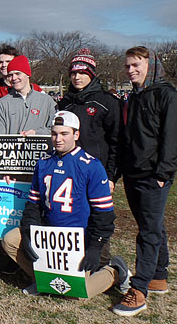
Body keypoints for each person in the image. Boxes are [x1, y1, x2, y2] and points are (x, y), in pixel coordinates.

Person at [1, 111, 130, 298]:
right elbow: (34, 204)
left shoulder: (91, 165)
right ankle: (43, 280)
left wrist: (95, 247)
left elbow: (104, 214)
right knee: (10, 240)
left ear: (76, 135)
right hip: (49, 235)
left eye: (64, 134)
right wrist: (29, 232)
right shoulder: (44, 163)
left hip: (78, 239)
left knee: (77, 292)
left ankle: (116, 271)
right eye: (54, 134)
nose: (58, 139)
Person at [113, 46, 177, 317]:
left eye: (136, 65)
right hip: (133, 173)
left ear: (151, 65)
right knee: (150, 225)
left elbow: (171, 138)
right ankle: (159, 275)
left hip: (154, 176)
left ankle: (139, 289)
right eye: (128, 66)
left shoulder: (167, 95)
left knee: (148, 232)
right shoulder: (134, 97)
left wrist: (163, 174)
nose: (131, 70)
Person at [58, 48, 122, 268]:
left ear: (92, 74)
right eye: (74, 72)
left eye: (83, 72)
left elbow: (116, 141)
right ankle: (72, 261)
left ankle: (103, 263)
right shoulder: (65, 102)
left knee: (98, 217)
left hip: (97, 172)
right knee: (73, 214)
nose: (77, 77)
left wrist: (112, 175)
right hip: (69, 171)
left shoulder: (107, 101)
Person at [0, 55, 56, 135]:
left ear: (27, 74)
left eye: (18, 74)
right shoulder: (2, 104)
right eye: (10, 75)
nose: (14, 78)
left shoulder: (47, 101)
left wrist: (36, 133)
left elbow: (55, 129)